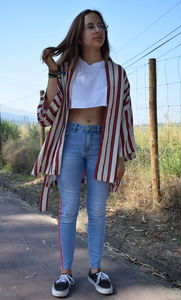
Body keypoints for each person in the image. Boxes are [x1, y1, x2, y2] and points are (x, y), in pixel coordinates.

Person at [32, 9, 136, 298]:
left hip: (104, 143)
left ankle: (94, 270)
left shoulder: (117, 73)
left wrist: (120, 156)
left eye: (100, 25)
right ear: (79, 34)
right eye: (90, 26)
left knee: (98, 212)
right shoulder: (66, 68)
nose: (97, 30)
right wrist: (52, 70)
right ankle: (65, 274)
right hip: (71, 140)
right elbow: (48, 115)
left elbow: (125, 116)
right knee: (67, 212)